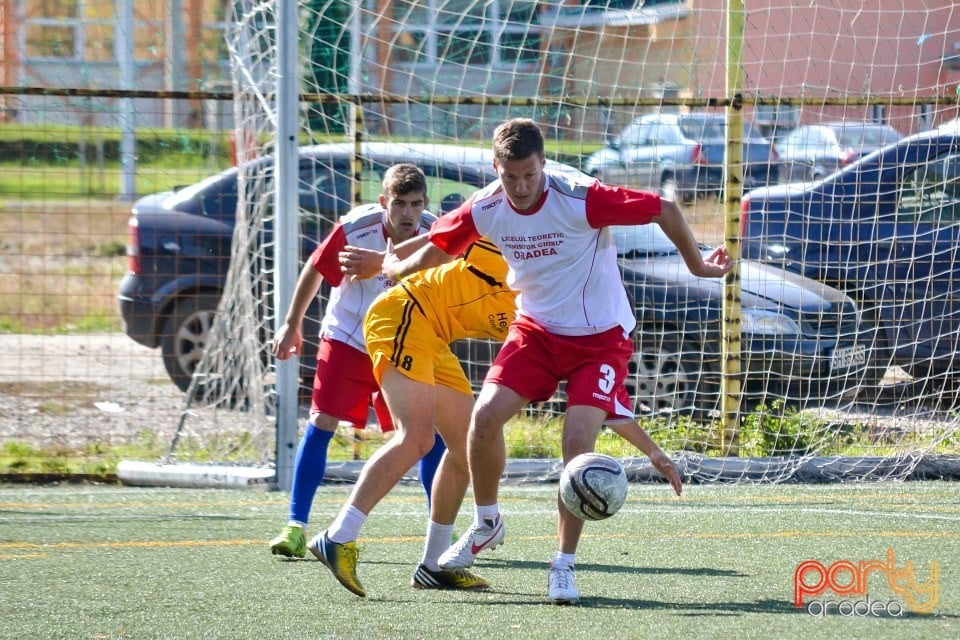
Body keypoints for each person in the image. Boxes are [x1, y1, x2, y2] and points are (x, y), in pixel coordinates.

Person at [375, 118, 732, 604]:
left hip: (600, 338)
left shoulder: (581, 198)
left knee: (577, 445)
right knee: (484, 417)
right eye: (511, 176)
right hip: (536, 332)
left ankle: (562, 566)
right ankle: (486, 522)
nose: (521, 187)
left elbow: (665, 208)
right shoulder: (488, 205)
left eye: (530, 175)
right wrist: (393, 265)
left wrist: (696, 264)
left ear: (543, 164)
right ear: (495, 168)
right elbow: (439, 245)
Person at [309, 234, 683, 597]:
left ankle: (433, 565)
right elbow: (446, 235)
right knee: (417, 438)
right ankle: (339, 535)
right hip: (402, 314)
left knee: (466, 449)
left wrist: (653, 451)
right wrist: (386, 262)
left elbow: (609, 403)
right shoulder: (514, 256)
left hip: (434, 338)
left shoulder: (552, 310)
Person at [267, 163, 446, 559]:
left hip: (400, 345)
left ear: (424, 204)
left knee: (424, 434)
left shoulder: (435, 235)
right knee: (321, 422)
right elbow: (316, 268)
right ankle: (296, 526)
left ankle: (440, 530)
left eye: (415, 204)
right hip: (347, 337)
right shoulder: (356, 228)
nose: (407, 214)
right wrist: (291, 324)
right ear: (384, 201)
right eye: (399, 203)